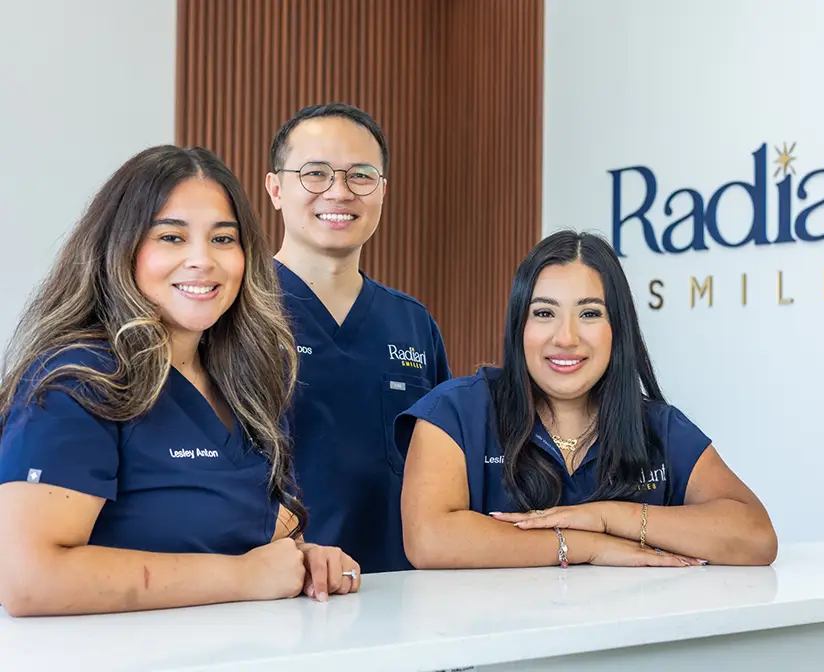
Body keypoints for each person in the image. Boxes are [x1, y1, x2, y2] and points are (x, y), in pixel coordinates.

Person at [0, 145, 360, 618]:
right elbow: (28, 579)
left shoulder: (248, 382)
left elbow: (255, 541)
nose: (202, 260)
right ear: (121, 247)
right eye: (171, 237)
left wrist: (301, 560)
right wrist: (243, 577)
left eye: (223, 239)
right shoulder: (76, 380)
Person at [397, 230, 777, 569]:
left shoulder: (658, 427)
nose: (566, 337)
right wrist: (583, 545)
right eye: (544, 313)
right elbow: (428, 539)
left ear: (618, 329)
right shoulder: (454, 411)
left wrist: (607, 517)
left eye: (590, 313)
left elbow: (756, 536)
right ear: (519, 327)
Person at [264, 103, 451, 574]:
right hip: (278, 593)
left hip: (400, 590)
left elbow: (445, 470)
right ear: (275, 188)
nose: (339, 192)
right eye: (316, 173)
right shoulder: (237, 314)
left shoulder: (412, 324)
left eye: (360, 176)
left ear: (383, 191)